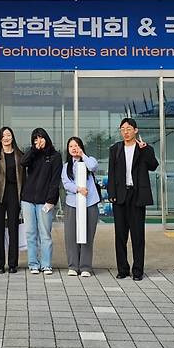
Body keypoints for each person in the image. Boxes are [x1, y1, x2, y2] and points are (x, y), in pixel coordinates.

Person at [108, 118, 158, 281]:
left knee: (138, 235)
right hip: (120, 196)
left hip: (137, 195)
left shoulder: (144, 148)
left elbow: (153, 166)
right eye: (122, 129)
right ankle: (122, 269)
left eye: (129, 128)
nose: (125, 132)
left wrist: (144, 151)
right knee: (120, 235)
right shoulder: (115, 149)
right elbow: (112, 173)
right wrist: (111, 193)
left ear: (135, 130)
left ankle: (138, 271)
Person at [20, 128, 62, 275]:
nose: (39, 141)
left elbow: (55, 181)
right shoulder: (32, 155)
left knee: (45, 234)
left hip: (45, 202)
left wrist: (51, 200)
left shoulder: (55, 156)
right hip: (28, 200)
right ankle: (33, 264)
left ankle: (46, 264)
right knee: (31, 233)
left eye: (41, 138)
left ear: (47, 138)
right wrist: (34, 150)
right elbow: (23, 162)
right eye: (36, 139)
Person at [0, 127, 24, 274]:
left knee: (14, 228)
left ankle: (13, 263)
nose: (6, 138)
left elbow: (24, 176)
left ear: (12, 137)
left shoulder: (20, 155)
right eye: (3, 135)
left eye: (8, 135)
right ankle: (0, 264)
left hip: (14, 194)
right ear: (0, 139)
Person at [61, 137, 99, 278]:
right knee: (71, 236)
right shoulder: (66, 166)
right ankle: (73, 266)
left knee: (88, 235)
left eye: (76, 145)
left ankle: (85, 267)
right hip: (72, 204)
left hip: (90, 203)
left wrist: (83, 155)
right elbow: (66, 183)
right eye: (71, 146)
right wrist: (78, 189)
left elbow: (93, 167)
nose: (73, 148)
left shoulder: (89, 160)